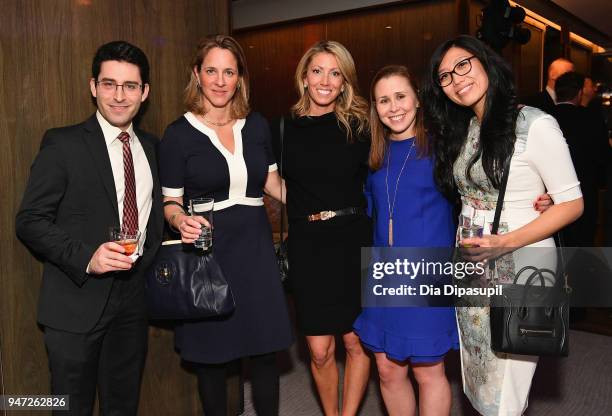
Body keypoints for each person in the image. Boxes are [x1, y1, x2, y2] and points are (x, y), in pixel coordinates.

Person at [422, 35, 583, 415]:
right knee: (479, 379)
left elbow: (573, 203)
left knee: (505, 395)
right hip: (473, 266)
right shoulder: (467, 128)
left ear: (485, 61)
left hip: (520, 265)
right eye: (444, 76)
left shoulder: (535, 123)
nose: (456, 79)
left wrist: (506, 241)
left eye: (463, 65)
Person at [15, 41, 163, 415]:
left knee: (122, 405)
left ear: (144, 93)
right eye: (109, 84)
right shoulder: (62, 144)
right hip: (74, 302)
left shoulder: (153, 147)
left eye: (130, 86)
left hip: (132, 301)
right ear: (93, 86)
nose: (119, 95)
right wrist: (88, 258)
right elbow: (29, 220)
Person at [158, 35, 292, 416]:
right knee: (212, 360)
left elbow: (271, 184)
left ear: (240, 78)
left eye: (229, 72)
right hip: (208, 255)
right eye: (211, 70)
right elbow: (169, 202)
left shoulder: (257, 125)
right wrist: (180, 219)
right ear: (197, 75)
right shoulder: (177, 135)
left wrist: (318, 205)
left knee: (265, 353)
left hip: (255, 252)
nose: (220, 80)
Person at [270, 40, 372, 416]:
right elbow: (268, 180)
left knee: (356, 342)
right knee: (319, 349)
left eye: (335, 73)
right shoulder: (283, 129)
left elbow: (395, 166)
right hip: (308, 244)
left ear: (345, 81)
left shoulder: (361, 126)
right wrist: (300, 207)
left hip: (352, 241)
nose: (325, 81)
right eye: (317, 71)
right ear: (304, 77)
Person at [352, 65, 459, 415]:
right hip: (384, 274)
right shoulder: (374, 156)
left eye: (400, 96)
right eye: (384, 100)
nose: (393, 106)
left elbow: (483, 190)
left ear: (417, 99)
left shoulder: (443, 148)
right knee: (386, 370)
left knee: (428, 370)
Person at [552, 71, 606, 247]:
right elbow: (602, 159)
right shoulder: (591, 120)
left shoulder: (542, 116)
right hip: (584, 196)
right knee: (581, 250)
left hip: (548, 198)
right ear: (579, 93)